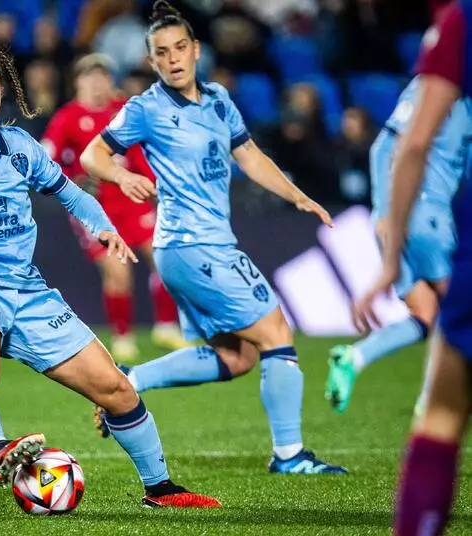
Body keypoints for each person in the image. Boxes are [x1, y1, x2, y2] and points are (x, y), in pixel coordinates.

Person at [0, 34, 220, 508]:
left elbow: (69, 192)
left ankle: (160, 488)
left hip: (27, 290)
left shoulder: (20, 146)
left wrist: (105, 227)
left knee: (115, 387)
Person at [80, 1, 347, 475]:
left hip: (208, 244)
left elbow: (250, 157)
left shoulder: (220, 99)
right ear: (152, 60)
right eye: (161, 52)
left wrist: (298, 196)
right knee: (276, 333)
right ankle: (289, 455)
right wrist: (121, 179)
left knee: (237, 355)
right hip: (189, 245)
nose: (173, 58)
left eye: (180, 47)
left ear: (196, 49)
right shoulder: (146, 109)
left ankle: (129, 379)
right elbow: (91, 155)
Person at [353, 1, 472, 534]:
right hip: (434, 212)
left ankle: (355, 358)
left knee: (445, 405)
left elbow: (409, 143)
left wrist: (389, 248)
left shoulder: (460, 22)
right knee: (434, 316)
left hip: (436, 215)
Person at [326, 77, 472, 414]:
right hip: (424, 215)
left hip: (410, 217)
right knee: (459, 309)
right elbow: (383, 148)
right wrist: (383, 210)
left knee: (426, 312)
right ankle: (434, 398)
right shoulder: (436, 87)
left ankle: (355, 357)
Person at [41, 53, 186, 361]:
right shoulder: (66, 118)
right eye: (90, 77)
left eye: (103, 76)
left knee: (166, 258)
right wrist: (71, 181)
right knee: (118, 272)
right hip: (95, 208)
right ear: (77, 82)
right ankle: (122, 336)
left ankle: (166, 327)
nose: (97, 83)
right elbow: (45, 161)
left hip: (132, 199)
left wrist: (153, 185)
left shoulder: (123, 110)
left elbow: (141, 152)